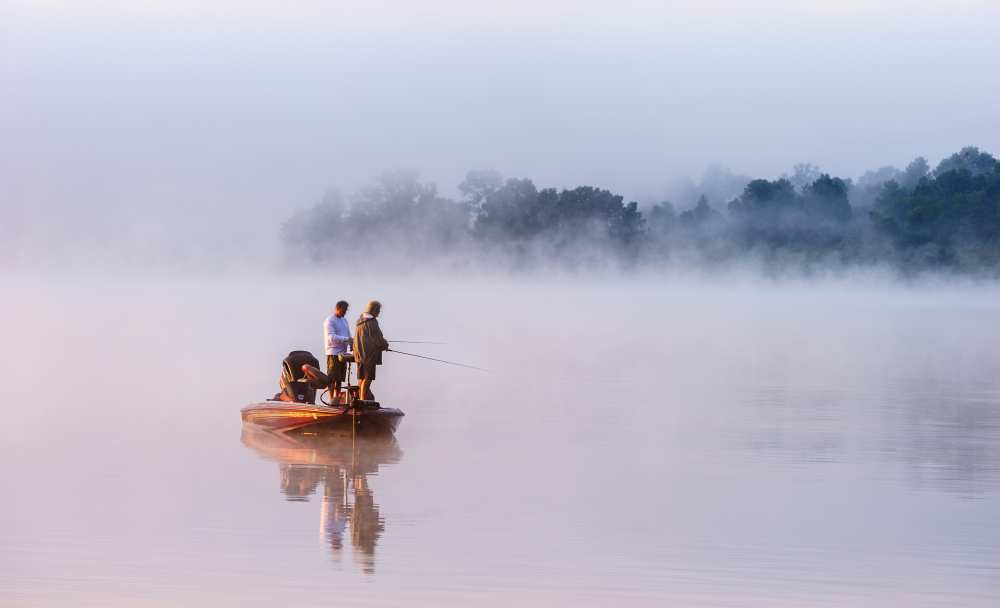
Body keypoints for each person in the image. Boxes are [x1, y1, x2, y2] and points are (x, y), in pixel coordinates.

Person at [353, 300, 389, 401]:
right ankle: (362, 399)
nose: (379, 312)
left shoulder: (360, 321)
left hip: (359, 354)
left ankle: (360, 398)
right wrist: (385, 345)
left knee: (361, 378)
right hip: (369, 355)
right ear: (373, 309)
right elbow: (378, 339)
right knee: (368, 378)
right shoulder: (372, 322)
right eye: (378, 310)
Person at [323, 300, 352, 402]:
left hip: (343, 354)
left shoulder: (344, 320)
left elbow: (348, 336)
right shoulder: (330, 320)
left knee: (339, 379)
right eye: (343, 310)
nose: (344, 312)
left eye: (346, 311)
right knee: (332, 378)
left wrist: (351, 344)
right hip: (333, 353)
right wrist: (345, 339)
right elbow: (330, 337)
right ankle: (331, 399)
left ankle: (337, 399)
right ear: (338, 308)